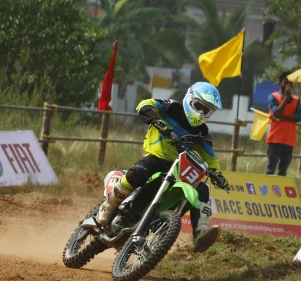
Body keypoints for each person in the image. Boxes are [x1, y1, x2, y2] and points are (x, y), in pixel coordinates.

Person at [95, 82, 229, 252]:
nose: (202, 113)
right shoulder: (171, 107)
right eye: (199, 106)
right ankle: (110, 204)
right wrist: (156, 120)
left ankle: (200, 232)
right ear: (190, 99)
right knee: (139, 172)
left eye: (207, 110)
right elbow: (144, 104)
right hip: (157, 158)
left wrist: (218, 174)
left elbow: (211, 158)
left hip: (179, 169)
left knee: (202, 189)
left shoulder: (203, 132)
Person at [265, 71, 301, 177]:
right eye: (285, 83)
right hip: (275, 139)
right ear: (280, 83)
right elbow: (276, 112)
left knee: (282, 171)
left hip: (289, 140)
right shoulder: (273, 97)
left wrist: (282, 117)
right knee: (270, 170)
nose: (287, 86)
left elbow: (298, 117)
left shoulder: (296, 100)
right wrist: (286, 98)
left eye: (290, 84)